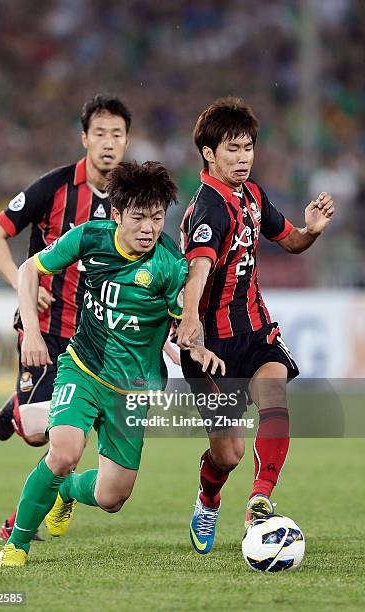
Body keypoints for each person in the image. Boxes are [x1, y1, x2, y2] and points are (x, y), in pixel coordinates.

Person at [0, 161, 225, 567]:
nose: (149, 228)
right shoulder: (89, 237)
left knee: (111, 497)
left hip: (134, 390)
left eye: (156, 218)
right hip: (83, 369)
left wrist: (195, 346)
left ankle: (65, 492)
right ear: (116, 215)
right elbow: (30, 268)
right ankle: (17, 544)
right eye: (138, 218)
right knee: (64, 452)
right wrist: (31, 331)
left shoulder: (171, 265)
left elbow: (185, 322)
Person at [177, 96, 335, 554]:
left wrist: (312, 231)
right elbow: (198, 270)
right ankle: (209, 499)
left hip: (257, 331)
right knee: (228, 454)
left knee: (275, 393)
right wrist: (189, 322)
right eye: (232, 148)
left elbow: (291, 242)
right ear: (209, 154)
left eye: (248, 147)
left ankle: (260, 500)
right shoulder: (208, 208)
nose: (244, 156)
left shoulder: (253, 196)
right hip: (211, 346)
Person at [0, 94, 132, 541]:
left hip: (94, 340)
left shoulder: (131, 197)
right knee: (37, 434)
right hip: (44, 331)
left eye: (117, 134)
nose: (108, 143)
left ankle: (22, 520)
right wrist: (23, 287)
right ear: (84, 138)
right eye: (100, 133)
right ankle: (19, 412)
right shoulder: (53, 188)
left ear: (127, 141)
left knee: (68, 443)